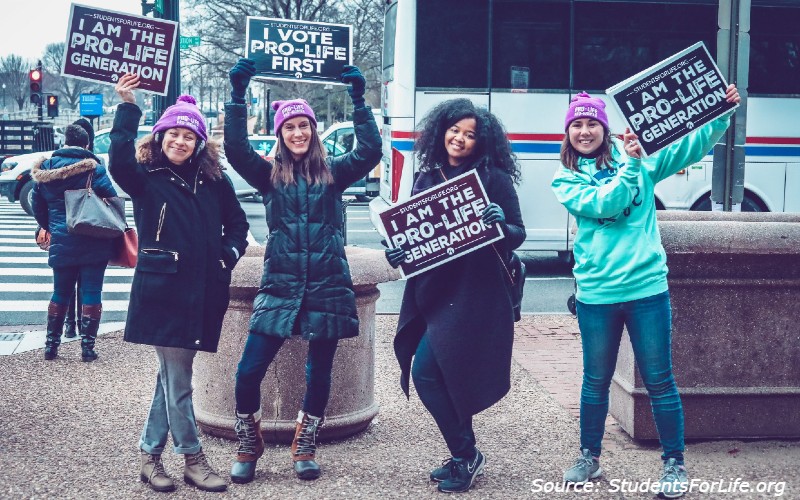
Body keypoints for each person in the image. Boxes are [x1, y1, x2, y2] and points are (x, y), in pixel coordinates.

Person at [551, 85, 741, 498]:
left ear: (604, 128)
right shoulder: (564, 177)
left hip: (647, 288)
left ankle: (674, 464)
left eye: (592, 124)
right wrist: (633, 167)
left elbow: (687, 149)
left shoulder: (633, 154)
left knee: (660, 380)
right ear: (568, 133)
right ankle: (589, 457)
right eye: (577, 125)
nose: (585, 131)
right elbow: (605, 204)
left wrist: (720, 114)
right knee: (595, 381)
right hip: (597, 294)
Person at [223, 58, 381, 483]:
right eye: (290, 127)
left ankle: (305, 442)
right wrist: (237, 96)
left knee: (320, 371)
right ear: (281, 134)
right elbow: (235, 150)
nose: (298, 133)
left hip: (327, 286)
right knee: (248, 370)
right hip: (280, 285)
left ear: (312, 132)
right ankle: (247, 439)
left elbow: (370, 151)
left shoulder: (333, 174)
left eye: (304, 126)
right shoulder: (269, 176)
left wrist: (359, 100)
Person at [109, 73, 249, 493]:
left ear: (199, 143)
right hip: (162, 292)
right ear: (160, 135)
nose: (181, 141)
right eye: (174, 132)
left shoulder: (214, 181)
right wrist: (127, 104)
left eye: (189, 135)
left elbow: (238, 226)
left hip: (204, 291)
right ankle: (193, 458)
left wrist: (228, 255)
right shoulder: (145, 177)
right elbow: (116, 161)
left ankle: (149, 458)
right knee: (179, 378)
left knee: (169, 378)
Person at [383, 98, 525, 493]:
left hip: (475, 294)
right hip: (433, 291)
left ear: (482, 141)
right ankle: (466, 454)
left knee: (429, 371)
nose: (460, 139)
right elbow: (414, 238)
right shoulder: (426, 177)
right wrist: (398, 251)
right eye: (454, 130)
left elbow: (517, 233)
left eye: (470, 134)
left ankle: (465, 454)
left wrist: (499, 223)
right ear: (441, 131)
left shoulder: (494, 178)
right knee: (434, 373)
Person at [31, 123, 117, 362]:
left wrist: (52, 225)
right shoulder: (94, 170)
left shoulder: (46, 169)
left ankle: (51, 346)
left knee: (60, 292)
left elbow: (37, 205)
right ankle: (87, 349)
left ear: (64, 142)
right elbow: (111, 199)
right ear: (86, 144)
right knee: (91, 292)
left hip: (62, 241)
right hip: (94, 241)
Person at [61, 118, 98, 340]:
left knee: (65, 283)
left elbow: (44, 199)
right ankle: (86, 333)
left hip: (63, 229)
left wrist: (44, 225)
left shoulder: (54, 163)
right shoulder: (96, 163)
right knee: (87, 282)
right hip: (89, 229)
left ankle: (68, 325)